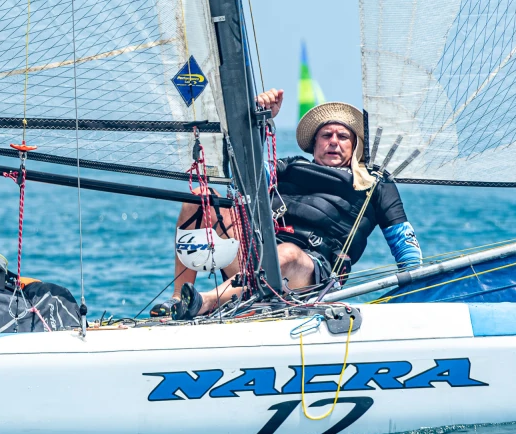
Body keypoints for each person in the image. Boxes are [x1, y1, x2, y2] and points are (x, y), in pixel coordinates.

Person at [168, 89, 422, 316]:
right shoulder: (290, 166)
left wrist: (419, 291)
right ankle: (177, 300)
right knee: (201, 197)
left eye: (343, 136)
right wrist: (259, 121)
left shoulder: (376, 183)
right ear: (314, 143)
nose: (333, 141)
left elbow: (404, 244)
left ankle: (205, 301)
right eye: (326, 135)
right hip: (254, 259)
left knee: (286, 253)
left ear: (355, 145)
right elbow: (242, 177)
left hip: (310, 272)